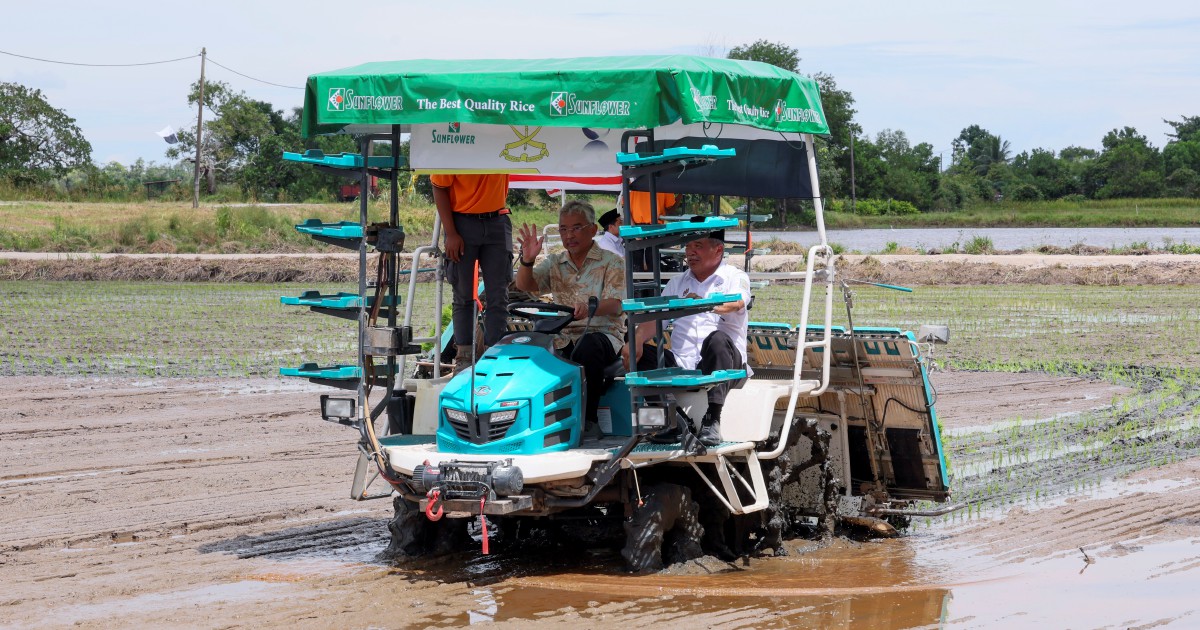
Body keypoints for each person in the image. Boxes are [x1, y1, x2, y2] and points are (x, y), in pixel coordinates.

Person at [625, 231, 751, 446]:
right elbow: (656, 322)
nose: (690, 252)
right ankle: (676, 420)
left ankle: (712, 419)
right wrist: (634, 341)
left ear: (718, 249)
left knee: (717, 339)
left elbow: (738, 302)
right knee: (638, 354)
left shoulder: (735, 277)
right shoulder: (677, 282)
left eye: (698, 246)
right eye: (688, 246)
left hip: (726, 363)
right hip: (683, 362)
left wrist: (704, 304)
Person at [515, 200, 626, 437]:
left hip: (604, 335)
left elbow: (616, 303)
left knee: (588, 346)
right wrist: (527, 260)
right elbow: (526, 285)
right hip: (562, 334)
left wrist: (589, 309)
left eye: (576, 228)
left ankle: (589, 420)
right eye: (563, 229)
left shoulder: (612, 261)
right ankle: (528, 421)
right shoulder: (555, 262)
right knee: (526, 347)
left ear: (593, 230)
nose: (569, 235)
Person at [431, 173, 512, 373]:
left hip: (498, 220)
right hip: (462, 222)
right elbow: (439, 187)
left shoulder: (502, 142)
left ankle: (495, 356)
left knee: (499, 295)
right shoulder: (454, 146)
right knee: (463, 294)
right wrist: (451, 233)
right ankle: (464, 359)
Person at [624, 190, 679, 272]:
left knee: (644, 263)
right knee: (648, 263)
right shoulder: (663, 182)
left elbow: (625, 207)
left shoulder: (631, 180)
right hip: (649, 226)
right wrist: (681, 194)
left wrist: (633, 227)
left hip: (643, 226)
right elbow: (670, 209)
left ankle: (643, 281)